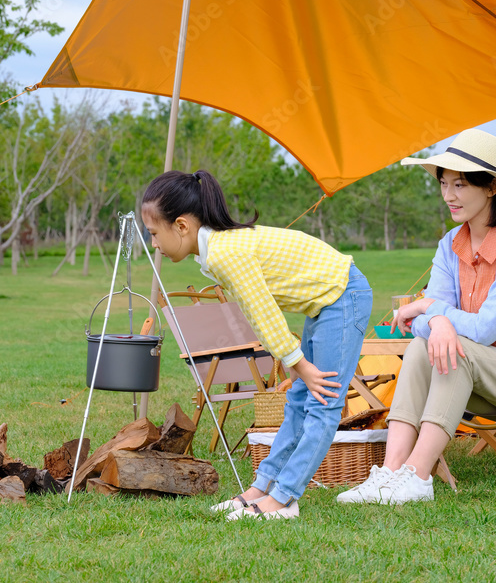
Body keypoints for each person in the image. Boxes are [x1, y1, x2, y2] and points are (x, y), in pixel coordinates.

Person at [337, 129, 496, 505]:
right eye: (444, 183)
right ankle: (390, 474)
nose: (449, 195)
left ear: (491, 188)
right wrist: (435, 319)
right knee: (427, 347)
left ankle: (417, 478)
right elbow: (422, 324)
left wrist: (428, 308)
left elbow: (483, 329)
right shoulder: (449, 244)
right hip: (490, 381)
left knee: (459, 351)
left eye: (460, 184)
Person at [141, 170, 372, 521]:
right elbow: (256, 311)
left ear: (182, 226)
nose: (154, 244)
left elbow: (264, 314)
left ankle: (285, 498)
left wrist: (302, 365)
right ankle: (261, 488)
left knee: (324, 402)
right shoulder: (214, 252)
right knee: (298, 400)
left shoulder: (224, 253)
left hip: (342, 295)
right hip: (325, 302)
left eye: (155, 234)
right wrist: (297, 366)